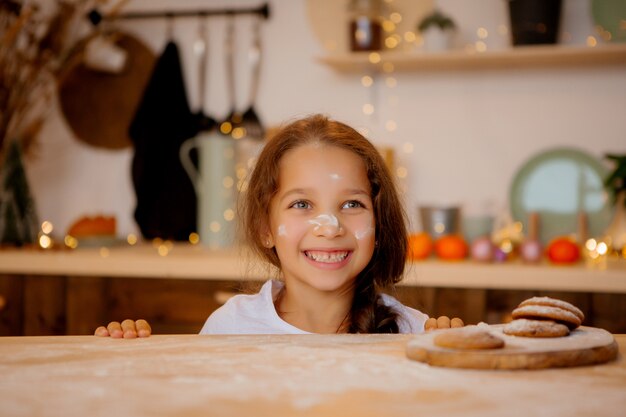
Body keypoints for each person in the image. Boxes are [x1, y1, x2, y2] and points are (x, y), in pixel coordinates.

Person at [95, 114, 463, 338]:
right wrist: (127, 360)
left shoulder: (415, 333)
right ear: (264, 227)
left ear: (379, 226)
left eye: (352, 204)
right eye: (301, 204)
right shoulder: (231, 329)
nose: (329, 226)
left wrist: (453, 360)